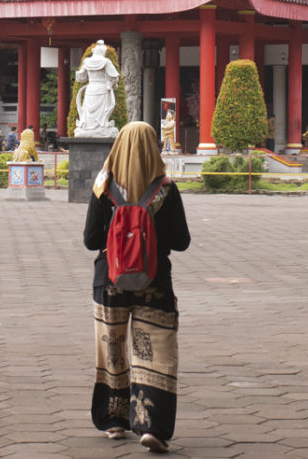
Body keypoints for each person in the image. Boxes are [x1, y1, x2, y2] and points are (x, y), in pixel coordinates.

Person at [83, 121, 191, 453]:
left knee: (112, 349)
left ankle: (115, 421)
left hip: (110, 280)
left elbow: (90, 240)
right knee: (155, 352)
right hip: (155, 281)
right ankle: (152, 427)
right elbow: (182, 241)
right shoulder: (166, 189)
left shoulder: (103, 187)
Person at [75, 40, 119, 136]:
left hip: (90, 88)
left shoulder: (87, 61)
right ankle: (101, 127)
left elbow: (81, 78)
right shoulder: (106, 61)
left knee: (88, 112)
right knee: (102, 113)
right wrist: (111, 84)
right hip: (102, 88)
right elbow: (115, 77)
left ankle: (87, 128)